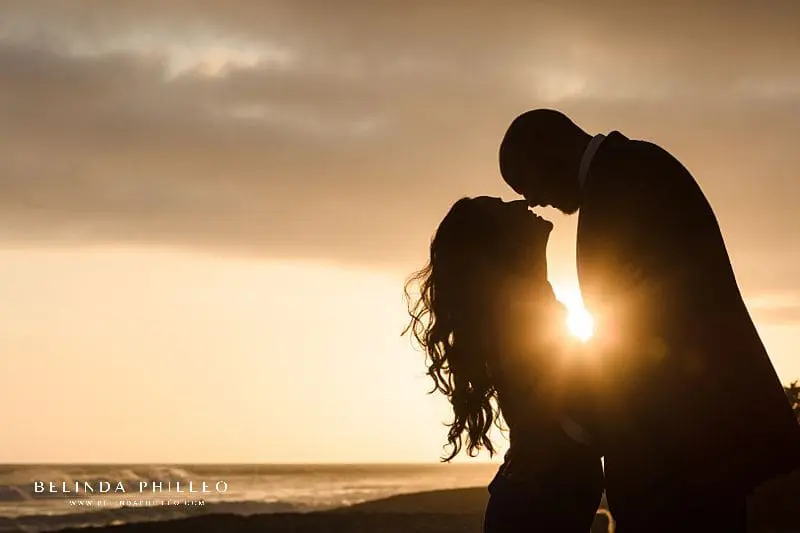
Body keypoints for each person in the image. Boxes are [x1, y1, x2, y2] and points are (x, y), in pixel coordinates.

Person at [498, 108, 800, 531]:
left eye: (523, 181)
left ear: (546, 149)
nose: (532, 200)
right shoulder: (630, 173)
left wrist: (574, 428)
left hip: (691, 457)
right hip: (695, 451)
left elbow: (637, 333)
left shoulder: (626, 184)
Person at [404, 196, 604, 532]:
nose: (521, 203)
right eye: (503, 207)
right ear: (501, 243)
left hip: (526, 498)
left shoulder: (527, 305)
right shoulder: (518, 315)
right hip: (531, 507)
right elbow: (576, 404)